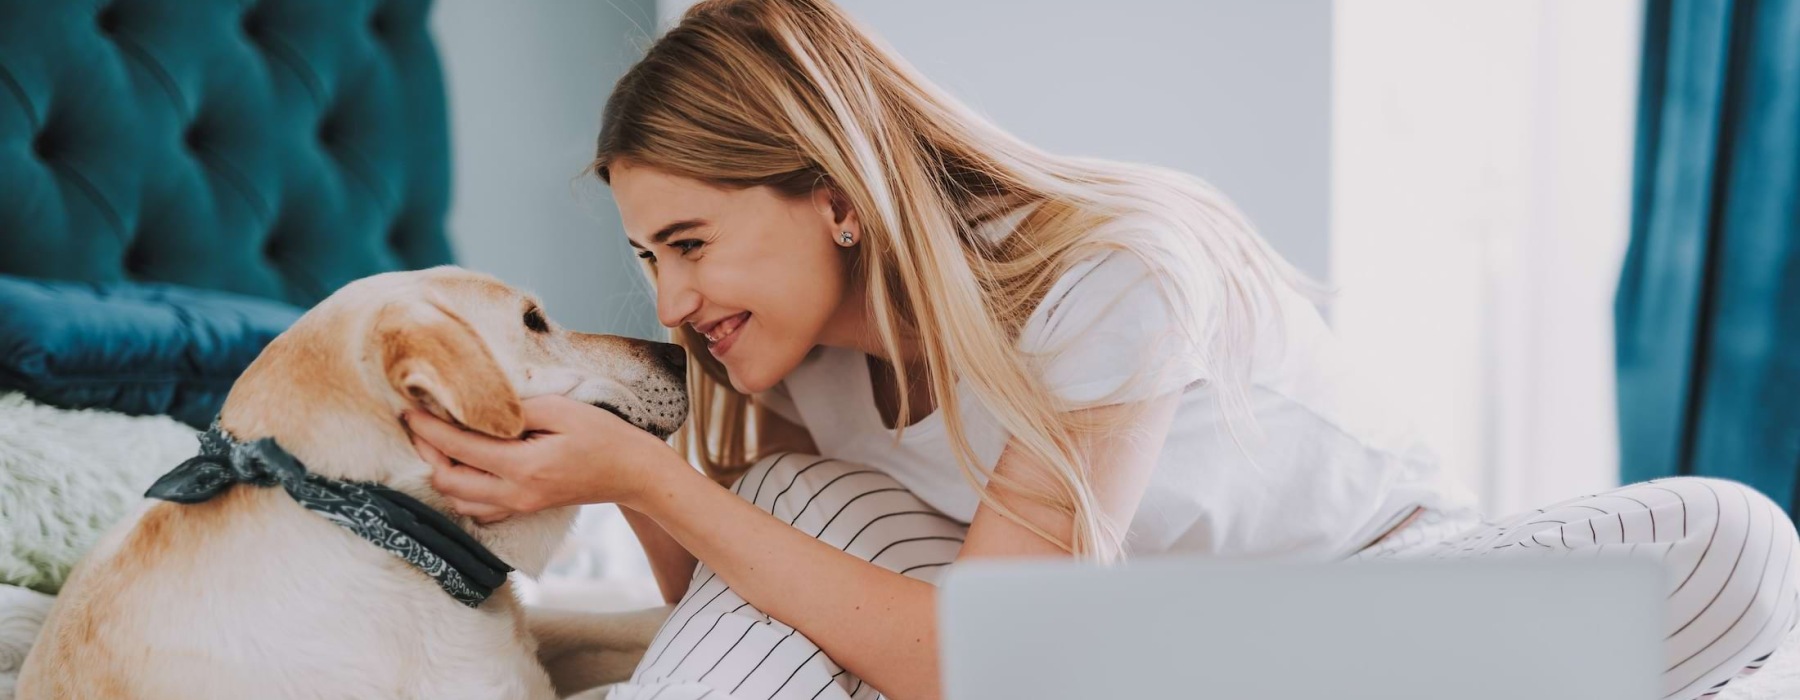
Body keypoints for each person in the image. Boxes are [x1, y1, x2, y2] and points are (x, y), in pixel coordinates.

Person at [403, 1, 1800, 698]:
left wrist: (651, 480)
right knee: (794, 507)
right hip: (1106, 663)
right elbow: (761, 609)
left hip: (1355, 607)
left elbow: (984, 657)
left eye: (690, 242)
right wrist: (630, 465)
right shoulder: (786, 360)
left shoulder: (1107, 269)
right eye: (648, 258)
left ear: (834, 193)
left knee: (1735, 541)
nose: (668, 300)